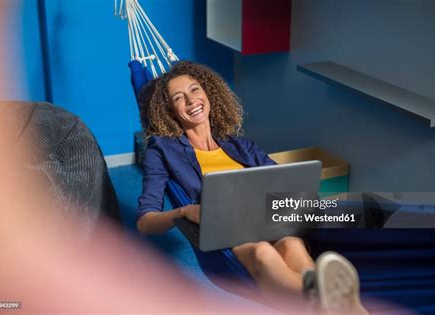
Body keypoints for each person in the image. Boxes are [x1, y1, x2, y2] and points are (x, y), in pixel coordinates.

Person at [136, 61, 368, 314]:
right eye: (179, 97)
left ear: (208, 92)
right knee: (262, 253)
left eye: (195, 89)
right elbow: (145, 222)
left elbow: (282, 179)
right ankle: (328, 302)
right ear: (170, 110)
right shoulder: (163, 151)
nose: (191, 101)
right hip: (227, 233)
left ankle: (325, 302)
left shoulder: (241, 146)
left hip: (268, 219)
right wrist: (185, 211)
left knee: (292, 244)